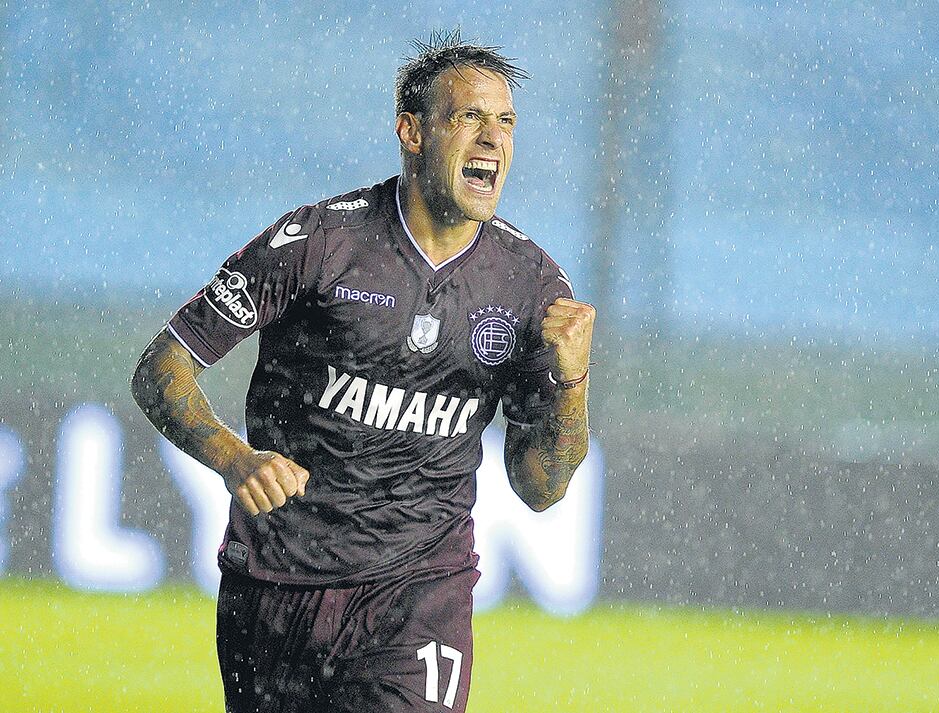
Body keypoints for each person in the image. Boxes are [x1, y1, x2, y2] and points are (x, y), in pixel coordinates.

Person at [131, 30, 595, 713]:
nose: (492, 139)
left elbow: (542, 487)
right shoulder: (320, 243)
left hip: (419, 594)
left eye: (505, 122)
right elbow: (160, 368)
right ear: (412, 131)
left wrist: (570, 382)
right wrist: (234, 458)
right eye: (468, 117)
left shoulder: (531, 286)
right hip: (276, 587)